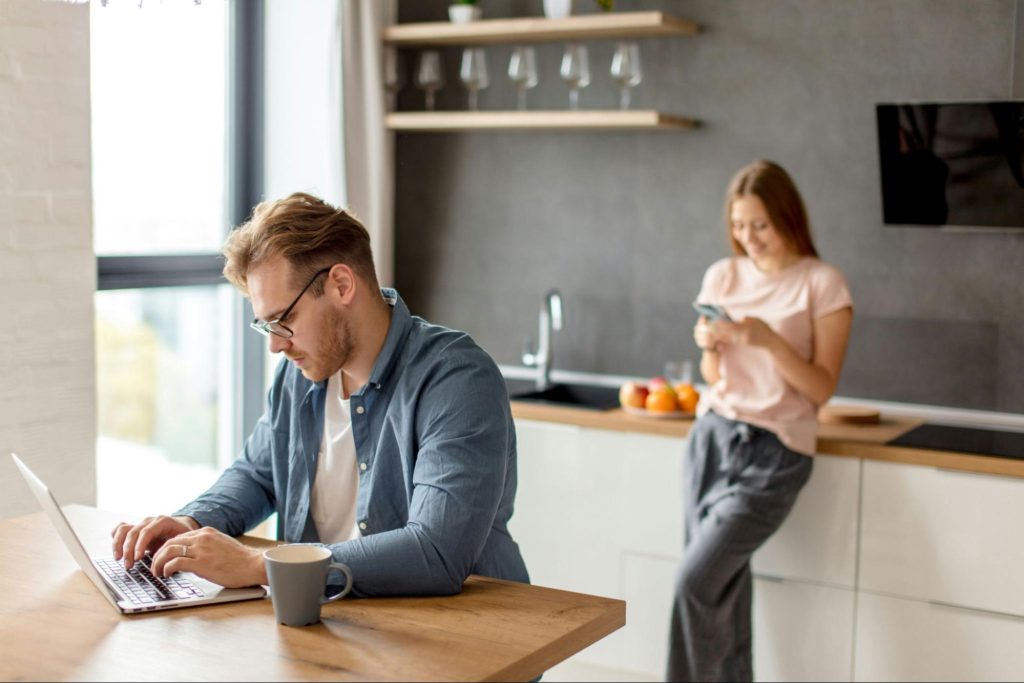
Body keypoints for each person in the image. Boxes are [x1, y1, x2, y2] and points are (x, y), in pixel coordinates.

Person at [110, 192, 529, 597]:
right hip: (333, 623)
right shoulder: (300, 374)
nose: (275, 345)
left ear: (342, 285)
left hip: (461, 642)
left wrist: (261, 567)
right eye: (266, 325)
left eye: (285, 319)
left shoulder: (456, 379)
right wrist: (190, 522)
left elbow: (436, 551)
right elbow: (258, 475)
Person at [666, 160, 853, 682]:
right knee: (722, 590)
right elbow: (712, 373)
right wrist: (708, 345)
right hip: (713, 439)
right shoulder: (721, 275)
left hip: (777, 450)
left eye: (761, 225)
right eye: (739, 225)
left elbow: (821, 388)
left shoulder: (823, 284)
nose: (749, 238)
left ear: (788, 217)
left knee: (694, 583)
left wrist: (768, 341)